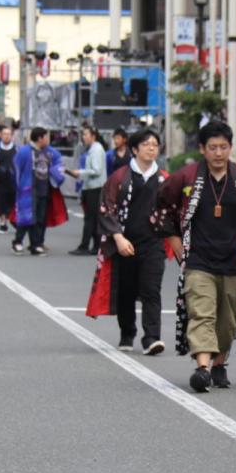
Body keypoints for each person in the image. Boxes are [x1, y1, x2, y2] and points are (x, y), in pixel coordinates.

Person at [153, 121, 236, 392]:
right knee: (202, 313)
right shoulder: (186, 178)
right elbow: (163, 204)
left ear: (231, 148)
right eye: (212, 148)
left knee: (227, 320)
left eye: (224, 147)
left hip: (235, 261)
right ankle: (202, 370)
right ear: (202, 149)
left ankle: (219, 363)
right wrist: (174, 239)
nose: (219, 153)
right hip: (199, 260)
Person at [87, 129, 172, 354]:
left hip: (154, 244)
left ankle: (151, 338)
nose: (152, 148)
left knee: (151, 290)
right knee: (126, 291)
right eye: (146, 144)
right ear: (135, 149)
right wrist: (118, 237)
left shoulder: (164, 178)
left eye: (155, 144)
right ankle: (127, 333)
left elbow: (175, 211)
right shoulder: (119, 177)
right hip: (124, 242)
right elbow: (107, 208)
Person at [12, 127, 68, 256]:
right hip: (27, 190)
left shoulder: (50, 152)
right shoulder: (24, 152)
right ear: (40, 138)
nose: (48, 139)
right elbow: (16, 170)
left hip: (44, 189)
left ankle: (36, 244)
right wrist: (18, 187)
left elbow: (59, 163)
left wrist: (57, 173)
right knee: (26, 217)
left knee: (40, 219)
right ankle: (17, 241)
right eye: (46, 137)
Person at [67, 126, 107, 255]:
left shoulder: (96, 150)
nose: (83, 137)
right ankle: (96, 245)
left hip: (95, 187)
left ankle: (85, 245)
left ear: (93, 135)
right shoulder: (91, 149)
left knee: (90, 219)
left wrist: (79, 172)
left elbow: (97, 170)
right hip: (90, 186)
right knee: (93, 218)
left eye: (85, 135)